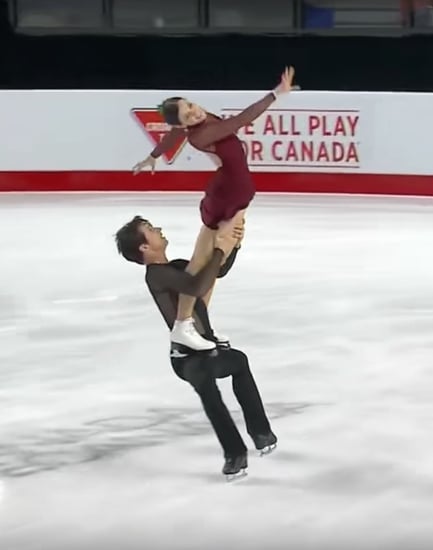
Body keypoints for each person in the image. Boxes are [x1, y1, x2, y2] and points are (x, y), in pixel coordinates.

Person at [132, 66, 297, 353]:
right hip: (229, 195)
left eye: (191, 106)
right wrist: (276, 94)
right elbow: (244, 119)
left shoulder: (194, 124)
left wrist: (152, 156)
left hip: (231, 191)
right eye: (187, 115)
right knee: (203, 264)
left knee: (208, 265)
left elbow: (172, 136)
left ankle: (197, 326)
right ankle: (183, 327)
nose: (194, 113)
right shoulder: (202, 135)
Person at [114, 214, 277, 480]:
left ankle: (260, 432)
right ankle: (234, 453)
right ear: (144, 247)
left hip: (207, 347)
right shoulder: (156, 276)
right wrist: (219, 249)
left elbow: (217, 272)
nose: (159, 229)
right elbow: (195, 285)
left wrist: (233, 244)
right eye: (151, 229)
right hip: (186, 358)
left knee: (238, 361)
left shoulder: (177, 266)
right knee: (207, 385)